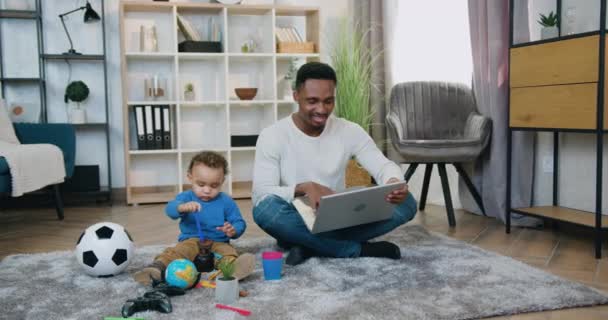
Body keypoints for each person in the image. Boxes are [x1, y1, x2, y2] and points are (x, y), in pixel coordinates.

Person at [252, 62, 418, 266]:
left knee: (407, 202)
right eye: (312, 101)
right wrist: (303, 188)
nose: (321, 109)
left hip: (339, 217)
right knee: (265, 210)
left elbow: (383, 166)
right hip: (296, 217)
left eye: (328, 101)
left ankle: (309, 244)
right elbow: (261, 193)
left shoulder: (349, 130)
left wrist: (393, 181)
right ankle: (353, 249)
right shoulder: (272, 135)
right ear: (296, 95)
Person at [134, 151, 255, 285]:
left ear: (222, 181)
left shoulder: (226, 201)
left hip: (219, 242)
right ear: (190, 178)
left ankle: (230, 271)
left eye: (214, 185)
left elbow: (239, 222)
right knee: (178, 252)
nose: (207, 190)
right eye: (201, 185)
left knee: (228, 253)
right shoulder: (186, 198)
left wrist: (234, 230)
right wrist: (182, 207)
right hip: (191, 240)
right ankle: (157, 269)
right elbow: (170, 209)